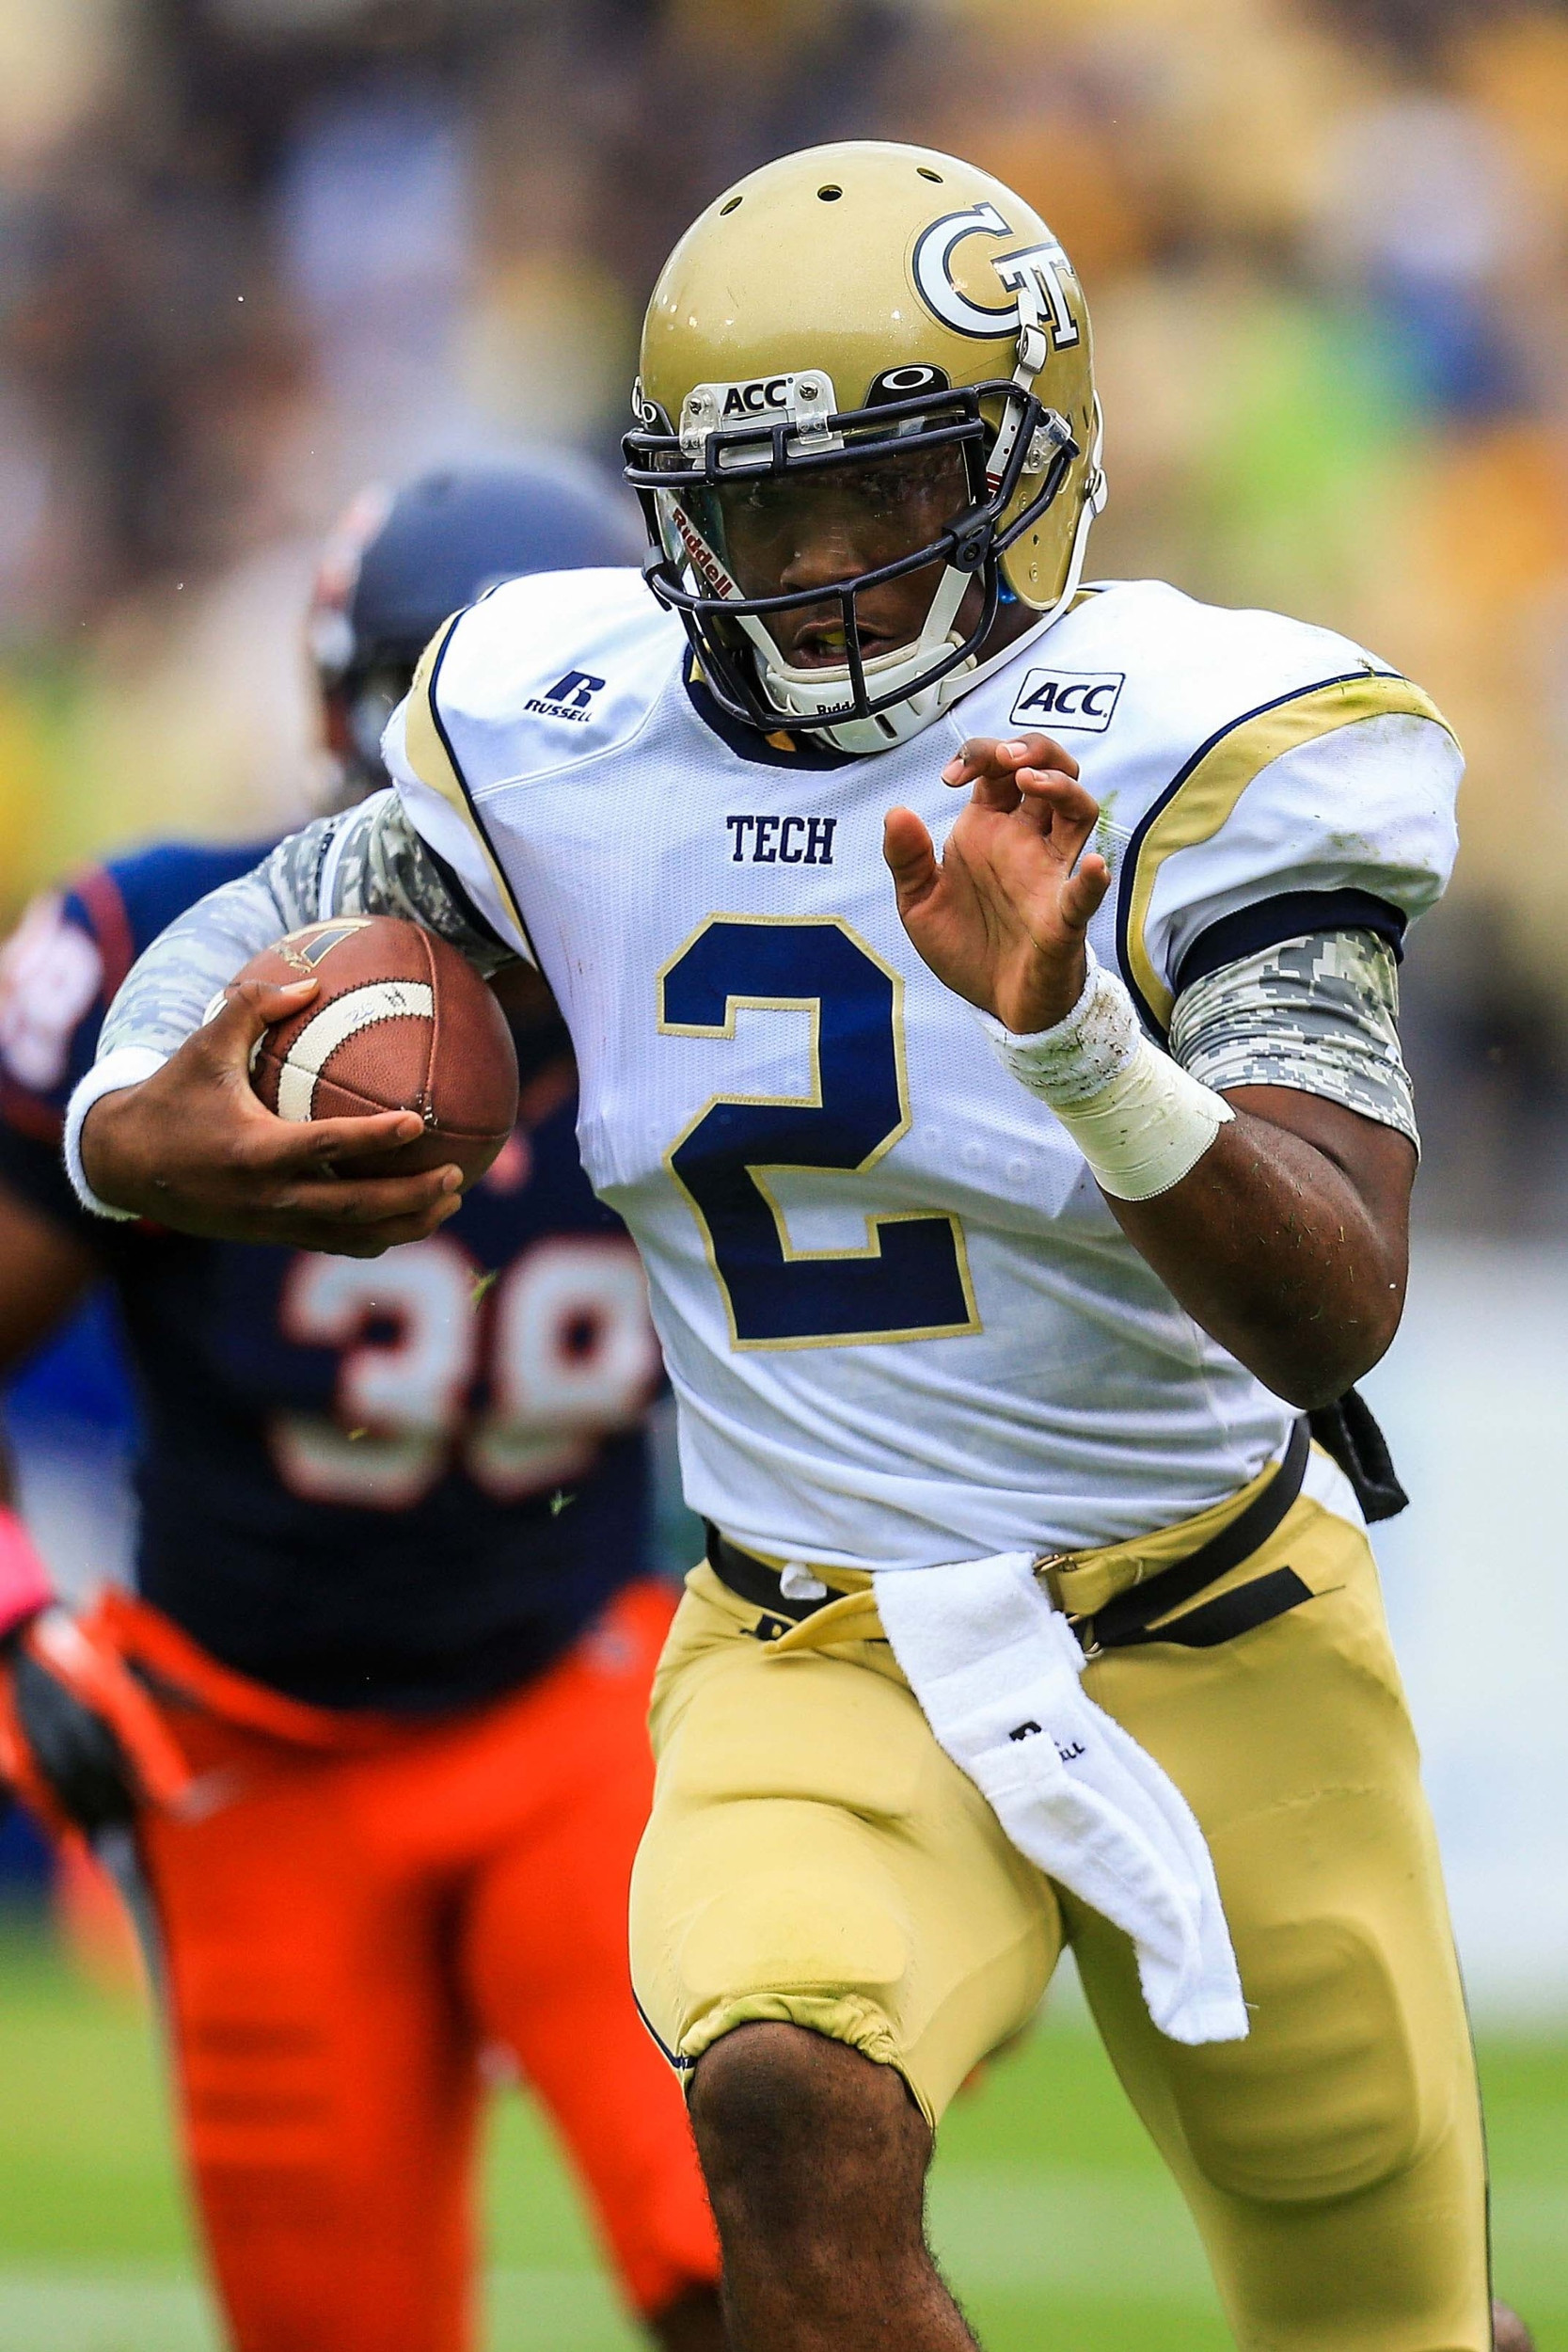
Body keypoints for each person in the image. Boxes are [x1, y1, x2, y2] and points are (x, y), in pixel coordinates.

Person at [59, 142, 1528, 2350]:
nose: (827, 570)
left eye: (889, 488)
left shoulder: (1212, 743)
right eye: (765, 510)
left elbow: (1341, 1292)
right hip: (806, 1629)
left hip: (1213, 1616)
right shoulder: (558, 712)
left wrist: (1082, 1038)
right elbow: (267, 923)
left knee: (1375, 2314)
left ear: (1033, 465)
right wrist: (121, 1112)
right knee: (780, 2096)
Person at [0, 457, 724, 2352]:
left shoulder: (720, 974)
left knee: (750, 2243)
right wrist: (12, 1609)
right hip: (248, 1751)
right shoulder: (160, 954)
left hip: (567, 1698)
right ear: (356, 726)